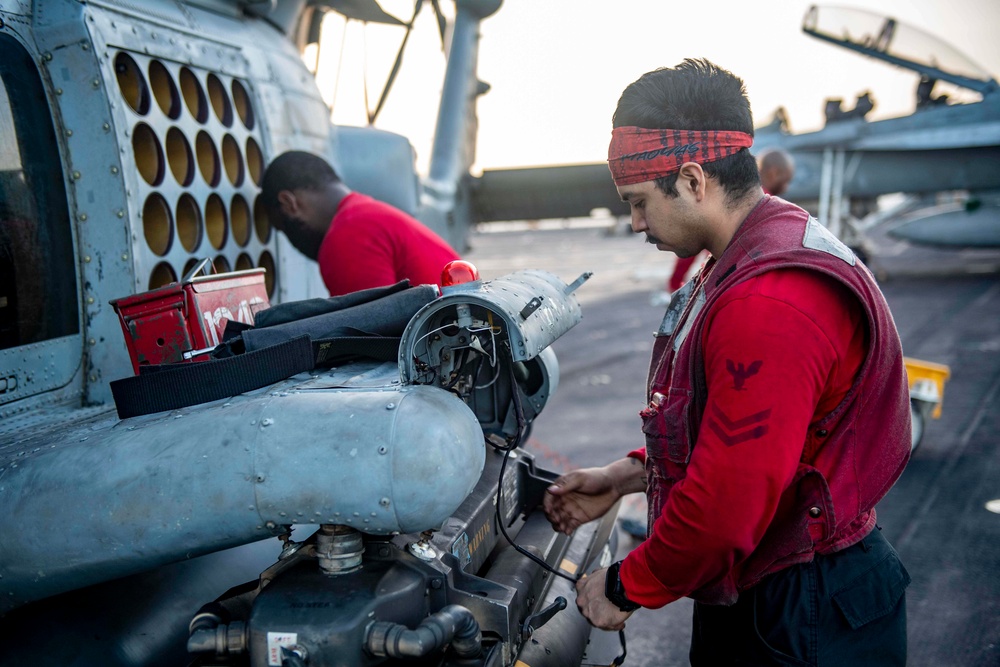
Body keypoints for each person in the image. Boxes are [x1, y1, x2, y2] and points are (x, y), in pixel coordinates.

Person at [543, 59, 912, 665]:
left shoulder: (767, 299)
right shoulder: (761, 246)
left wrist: (625, 586)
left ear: (692, 181)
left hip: (802, 610)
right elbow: (745, 435)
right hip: (795, 587)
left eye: (638, 202)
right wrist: (622, 476)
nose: (635, 223)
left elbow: (728, 501)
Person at [261, 151, 460, 296]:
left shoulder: (347, 235)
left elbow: (370, 340)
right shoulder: (365, 214)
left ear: (289, 204)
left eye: (283, 229)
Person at [656, 147, 795, 304]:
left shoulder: (736, 194)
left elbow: (693, 244)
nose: (787, 187)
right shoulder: (764, 205)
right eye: (786, 180)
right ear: (774, 173)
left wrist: (675, 284)